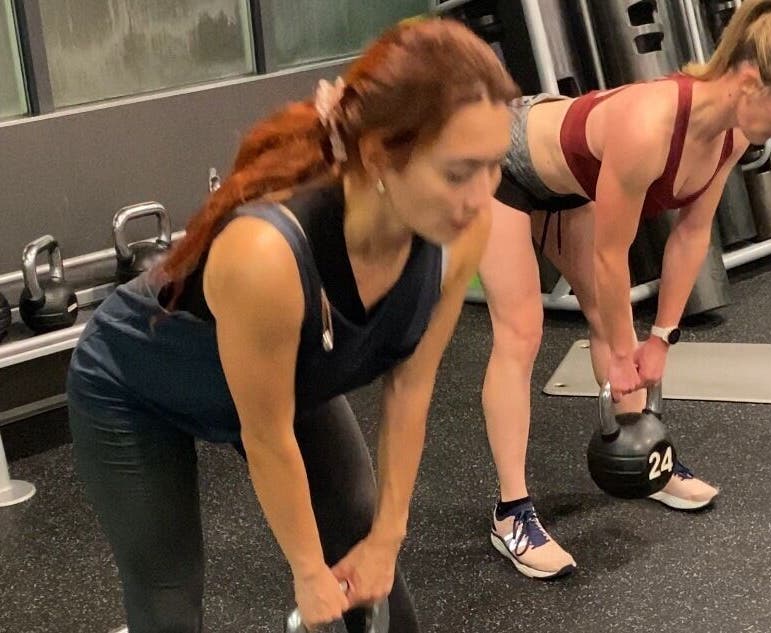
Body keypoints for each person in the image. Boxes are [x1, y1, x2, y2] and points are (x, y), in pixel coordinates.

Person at [66, 18, 518, 632]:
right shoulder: (267, 256)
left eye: (494, 166)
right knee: (168, 604)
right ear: (381, 154)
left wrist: (388, 536)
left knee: (369, 554)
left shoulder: (461, 233)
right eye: (459, 172)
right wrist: (307, 570)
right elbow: (268, 437)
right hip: (132, 386)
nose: (481, 195)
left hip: (286, 376)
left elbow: (409, 389)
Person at [479, 0, 771, 579]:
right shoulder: (650, 126)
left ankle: (643, 456)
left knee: (605, 313)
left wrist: (661, 340)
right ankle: (511, 514)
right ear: (749, 82)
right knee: (521, 331)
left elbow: (691, 236)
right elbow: (609, 252)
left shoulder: (731, 136)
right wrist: (625, 355)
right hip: (499, 157)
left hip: (568, 175)